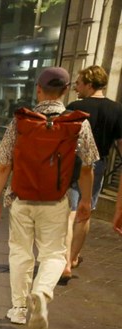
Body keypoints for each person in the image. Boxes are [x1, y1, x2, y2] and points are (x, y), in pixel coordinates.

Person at [0, 67, 98, 329]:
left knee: (20, 253)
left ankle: (19, 308)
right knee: (54, 254)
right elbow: (88, 166)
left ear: (38, 89)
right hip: (56, 200)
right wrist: (85, 199)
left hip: (22, 199)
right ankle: (42, 292)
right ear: (66, 90)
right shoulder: (78, 123)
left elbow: (4, 165)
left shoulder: (20, 121)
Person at [61, 65, 122, 280]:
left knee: (69, 212)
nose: (76, 87)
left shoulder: (75, 106)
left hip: (73, 163)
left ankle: (65, 262)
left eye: (78, 83)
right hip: (98, 163)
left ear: (88, 83)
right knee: (85, 211)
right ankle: (74, 258)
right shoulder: (116, 109)